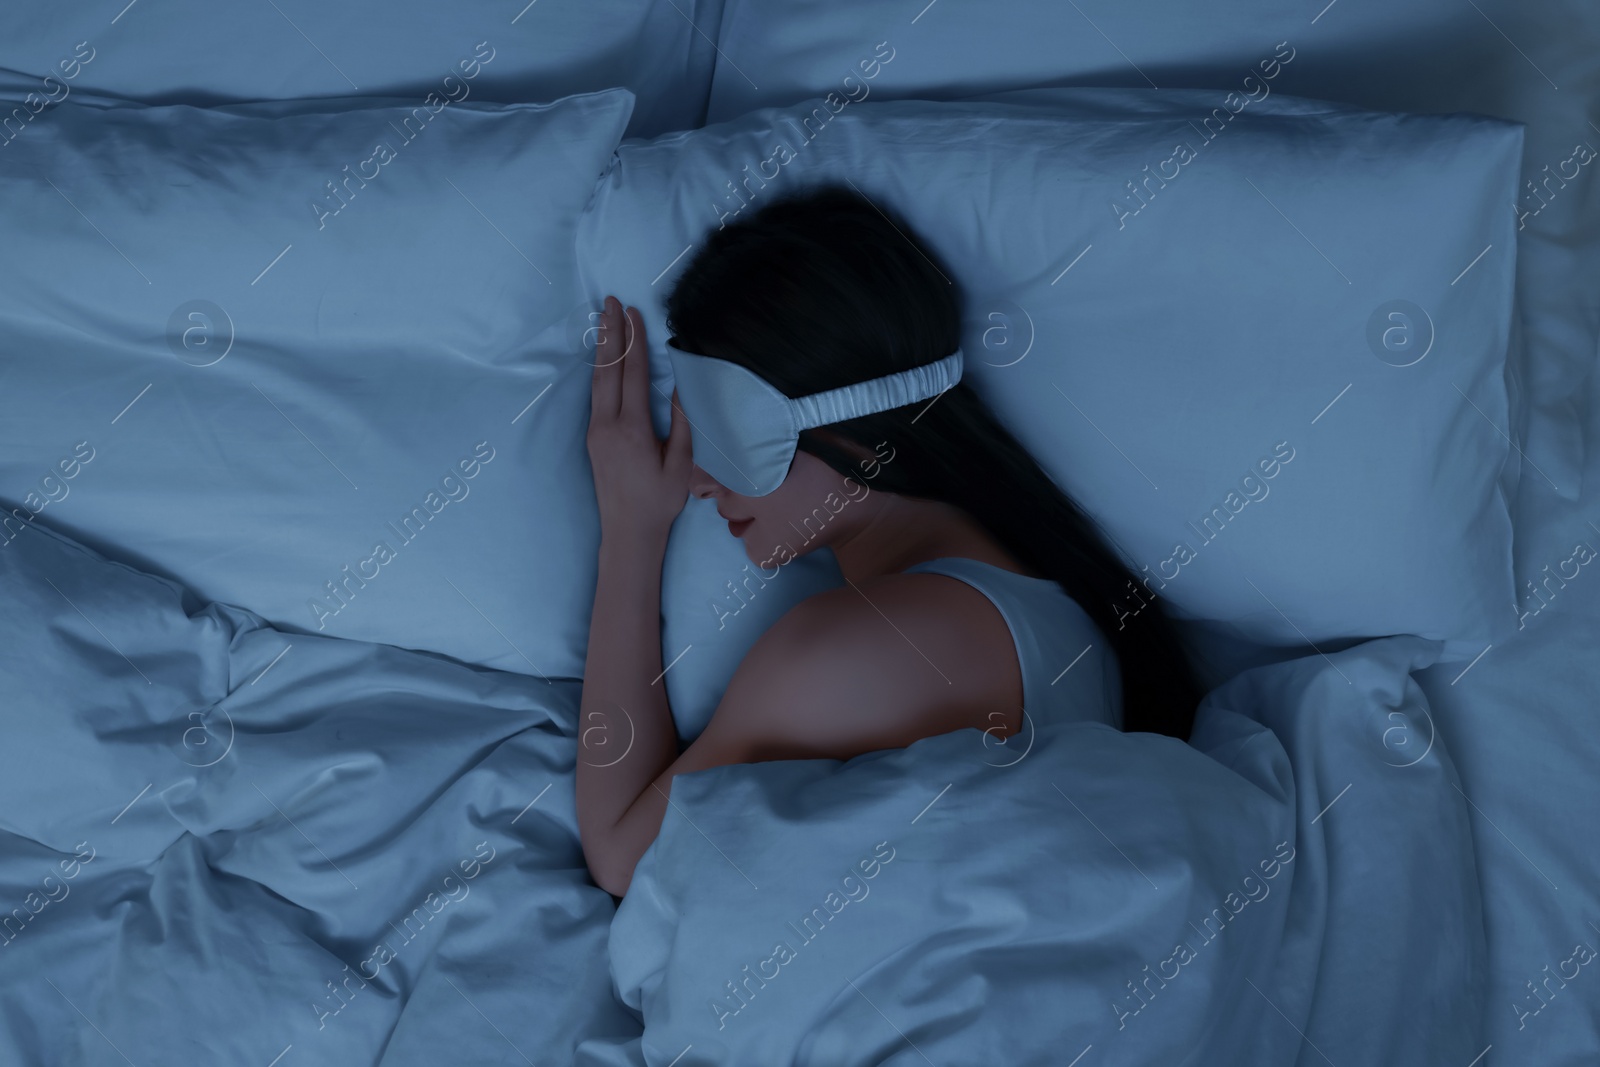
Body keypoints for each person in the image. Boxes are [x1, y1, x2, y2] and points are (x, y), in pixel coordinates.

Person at [576, 184, 1201, 898]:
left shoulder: (848, 649)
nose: (696, 483)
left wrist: (629, 531)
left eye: (715, 432)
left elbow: (625, 853)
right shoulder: (1055, 603)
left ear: (839, 416)